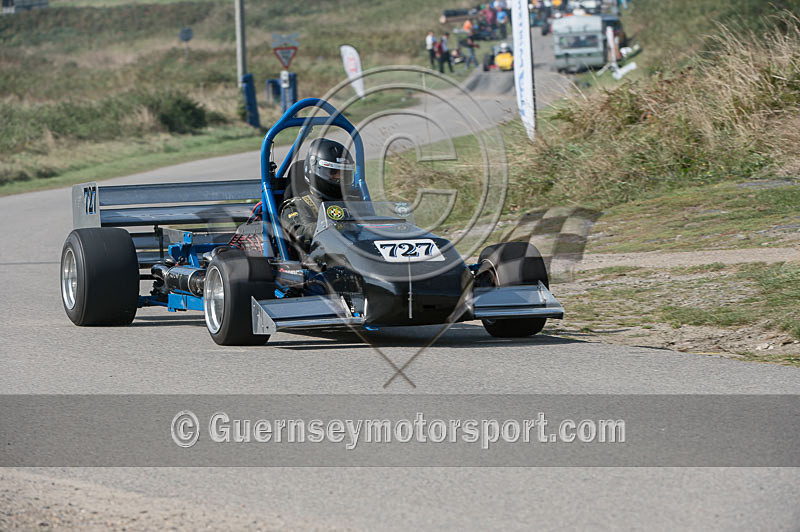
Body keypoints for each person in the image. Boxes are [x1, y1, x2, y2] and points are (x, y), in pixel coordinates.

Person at [280, 138, 354, 253]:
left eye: (344, 173)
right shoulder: (299, 204)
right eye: (334, 173)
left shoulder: (353, 201)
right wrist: (332, 226)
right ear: (314, 171)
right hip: (317, 262)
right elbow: (299, 233)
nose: (341, 178)